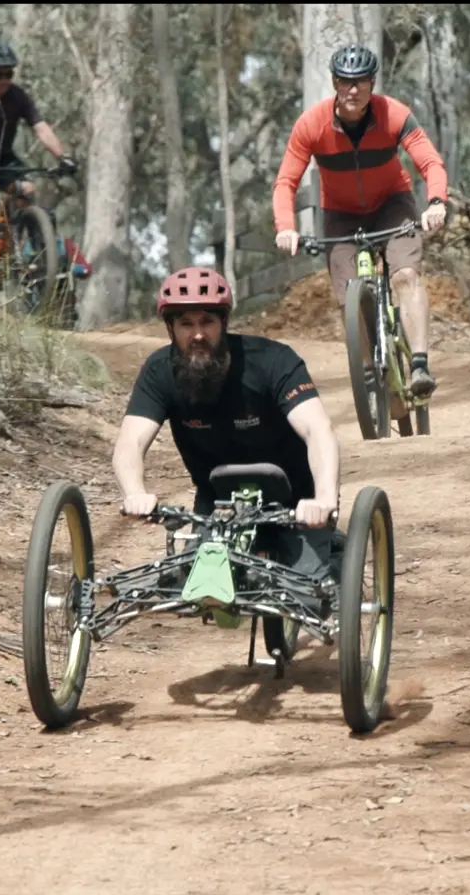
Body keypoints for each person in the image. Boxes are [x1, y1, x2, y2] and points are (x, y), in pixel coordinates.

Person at [112, 267, 344, 627]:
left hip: (297, 501)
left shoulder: (272, 361)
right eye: (186, 324)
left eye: (208, 321)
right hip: (218, 504)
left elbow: (318, 429)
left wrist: (325, 500)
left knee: (307, 602)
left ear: (224, 323)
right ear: (170, 328)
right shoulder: (159, 371)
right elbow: (130, 440)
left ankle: (335, 549)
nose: (198, 334)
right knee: (190, 589)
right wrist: (134, 492)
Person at [270, 43, 450, 399]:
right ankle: (368, 372)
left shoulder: (394, 115)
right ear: (335, 83)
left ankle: (418, 366)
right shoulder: (311, 125)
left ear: (372, 83)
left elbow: (429, 163)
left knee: (405, 275)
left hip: (391, 205)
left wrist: (435, 203)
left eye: (361, 82)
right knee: (348, 294)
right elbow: (286, 182)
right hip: (340, 214)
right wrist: (286, 227)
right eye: (345, 82)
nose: (353, 90)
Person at [0, 40, 78, 282]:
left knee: (26, 189)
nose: (5, 79)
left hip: (4, 158)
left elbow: (40, 129)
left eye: (9, 73)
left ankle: (27, 244)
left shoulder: (17, 97)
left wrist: (62, 157)